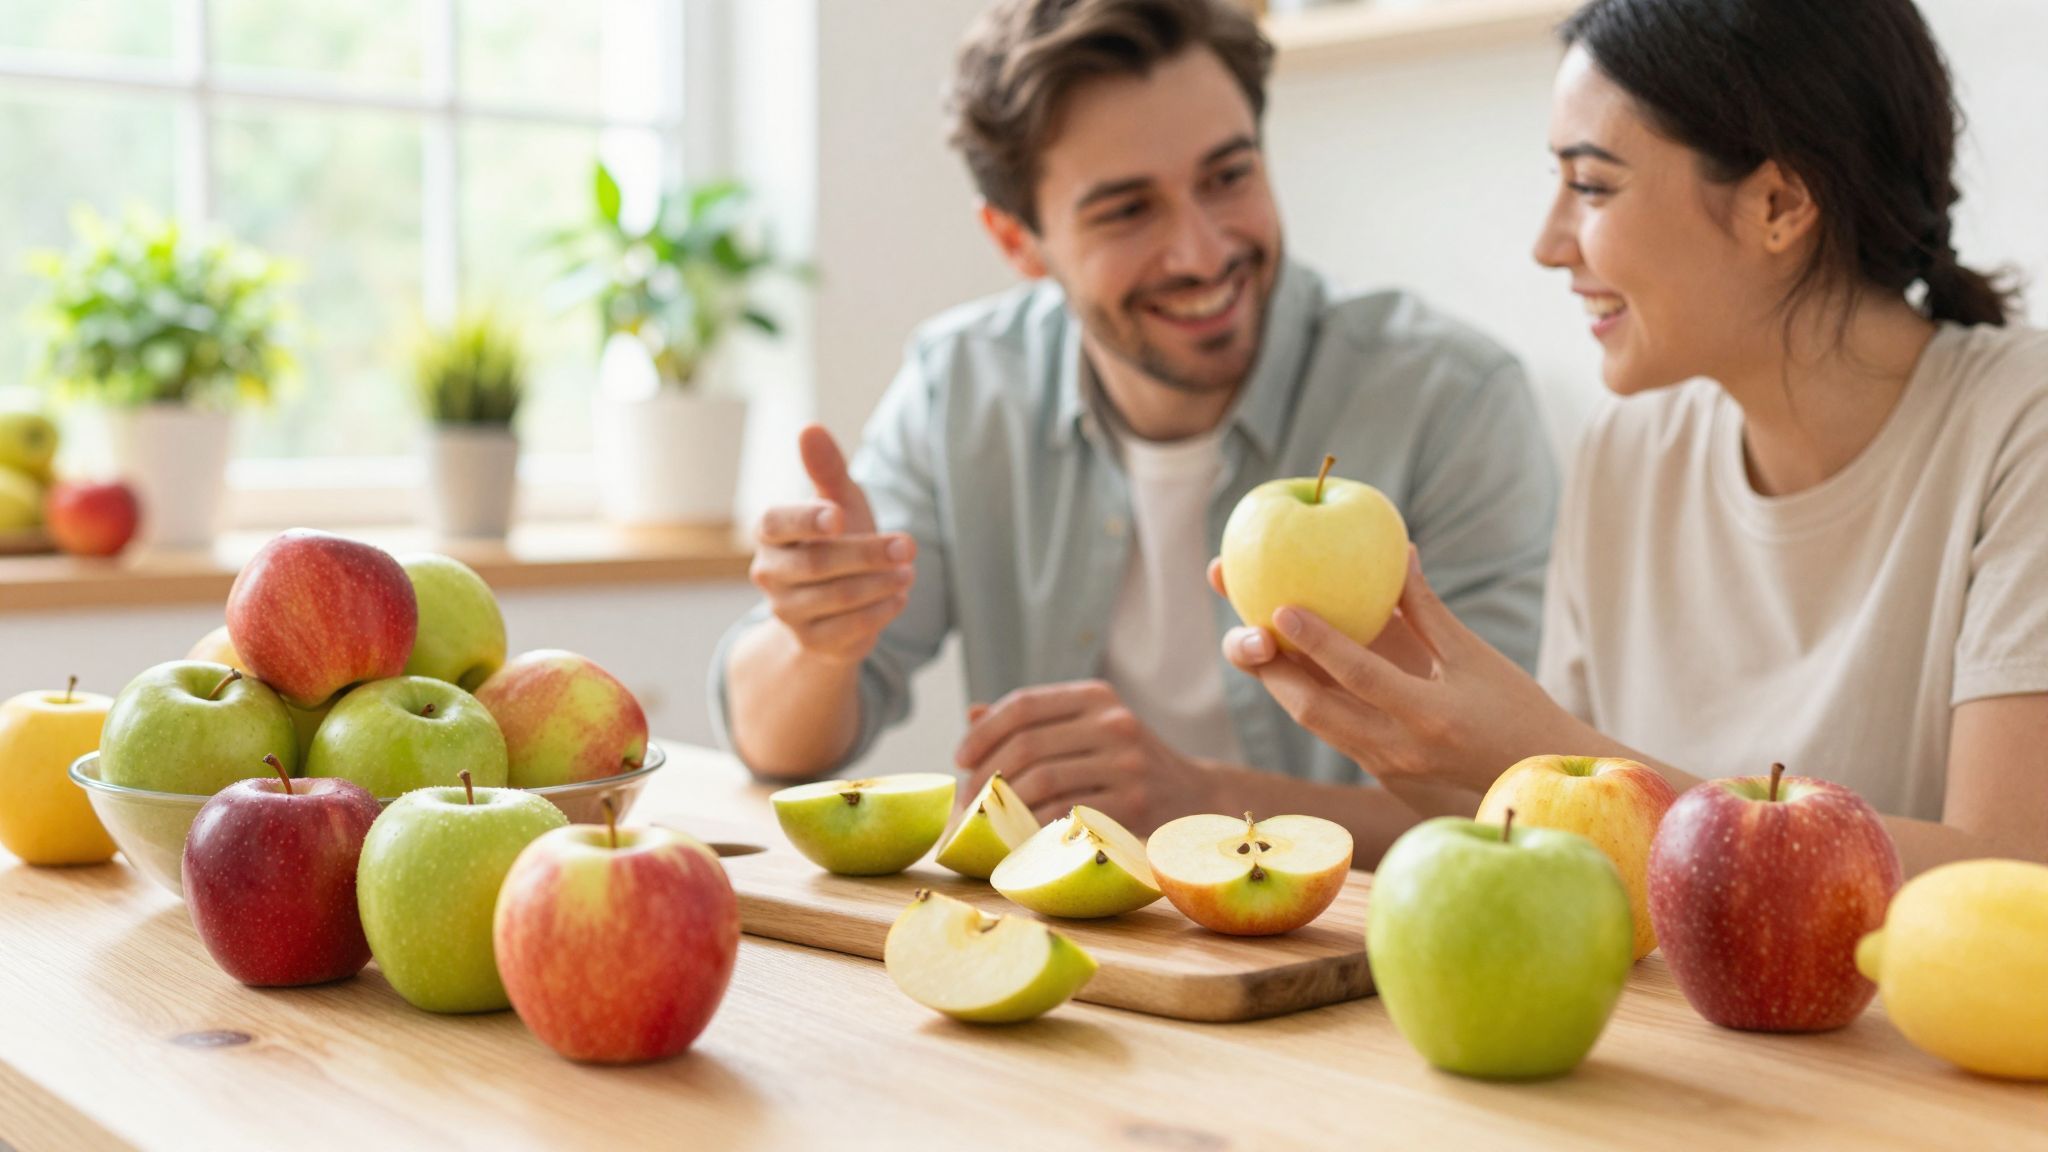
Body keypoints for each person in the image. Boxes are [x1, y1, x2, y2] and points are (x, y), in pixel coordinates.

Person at [709, 0, 1557, 858]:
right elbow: (776, 745)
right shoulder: (962, 386)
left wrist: (1205, 801)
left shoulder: (1450, 400)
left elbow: (1503, 811)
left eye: (1228, 177)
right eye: (1127, 211)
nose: (1201, 252)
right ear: (1018, 242)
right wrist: (818, 640)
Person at [1220, 0, 2048, 876]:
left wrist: (1542, 749)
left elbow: (2014, 871)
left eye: (1591, 186)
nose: (1548, 245)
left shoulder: (2019, 428)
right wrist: (1404, 718)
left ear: (1779, 202)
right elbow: (1563, 836)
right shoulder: (1630, 449)